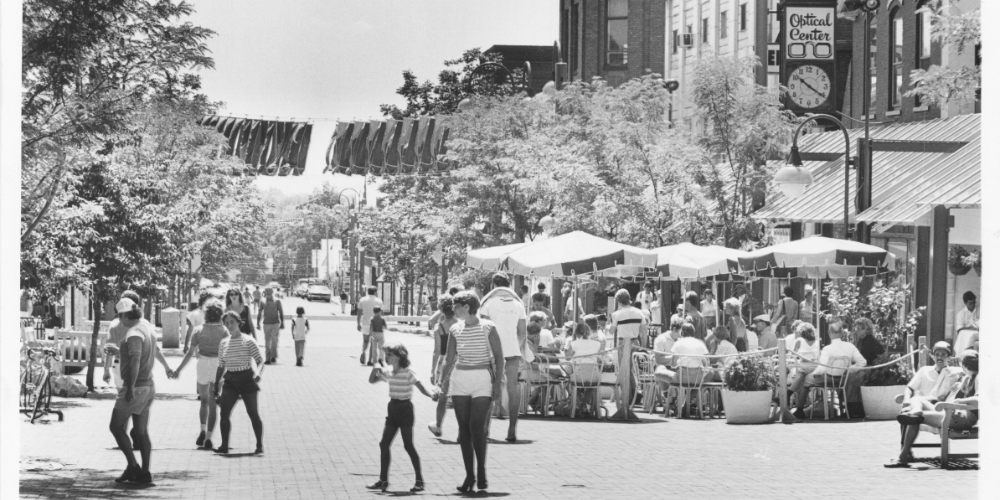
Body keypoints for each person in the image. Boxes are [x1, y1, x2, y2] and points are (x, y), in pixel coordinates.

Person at [438, 291, 505, 492]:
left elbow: (500, 358)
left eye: (456, 306)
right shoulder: (455, 329)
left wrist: (497, 384)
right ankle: (469, 475)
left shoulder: (488, 327)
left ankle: (481, 470)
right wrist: (441, 382)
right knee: (463, 429)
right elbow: (449, 359)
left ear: (467, 306)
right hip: (460, 379)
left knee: (477, 427)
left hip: (483, 379)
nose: (453, 310)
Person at [108, 298, 170, 484]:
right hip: (148, 385)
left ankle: (133, 466)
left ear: (126, 315)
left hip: (137, 386)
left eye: (120, 316)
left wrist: (130, 386)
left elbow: (135, 360)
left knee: (116, 426)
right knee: (141, 431)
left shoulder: (134, 332)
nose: (120, 321)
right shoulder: (146, 327)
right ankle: (144, 471)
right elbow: (141, 355)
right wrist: (119, 352)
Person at [367, 342, 439, 493]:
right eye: (386, 355)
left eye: (390, 355)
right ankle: (383, 480)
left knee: (408, 445)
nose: (387, 357)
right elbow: (372, 380)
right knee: (384, 444)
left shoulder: (408, 372)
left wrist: (432, 395)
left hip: (405, 409)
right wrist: (375, 368)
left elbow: (421, 387)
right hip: (392, 409)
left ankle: (419, 480)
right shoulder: (389, 372)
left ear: (400, 356)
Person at [887, 350, 978, 468]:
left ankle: (903, 457)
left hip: (964, 418)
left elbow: (980, 400)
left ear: (965, 365)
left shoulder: (979, 378)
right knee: (917, 399)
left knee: (915, 419)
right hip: (954, 413)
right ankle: (915, 412)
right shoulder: (969, 377)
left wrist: (960, 401)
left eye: (961, 364)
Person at [172, 301, 229, 450]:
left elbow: (190, 353)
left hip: (202, 364)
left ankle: (202, 430)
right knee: (213, 402)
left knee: (203, 401)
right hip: (218, 366)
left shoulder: (198, 330)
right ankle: (209, 436)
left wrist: (178, 370)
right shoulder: (224, 331)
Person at [478, 273, 527, 442]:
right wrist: (514, 345)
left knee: (490, 388)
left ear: (493, 285)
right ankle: (512, 430)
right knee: (513, 390)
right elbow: (522, 333)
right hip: (513, 352)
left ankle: (486, 430)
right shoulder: (518, 304)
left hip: (493, 352)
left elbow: (483, 330)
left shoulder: (488, 303)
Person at [790, 321, 867, 419]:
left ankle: (799, 410)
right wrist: (848, 371)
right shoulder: (850, 346)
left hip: (828, 378)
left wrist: (815, 373)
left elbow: (821, 368)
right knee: (809, 376)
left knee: (804, 380)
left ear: (829, 333)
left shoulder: (827, 349)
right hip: (842, 380)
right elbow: (862, 362)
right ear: (842, 333)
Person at [213, 310, 265, 454]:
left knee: (253, 413)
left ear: (239, 323)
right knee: (224, 414)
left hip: (246, 379)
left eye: (232, 322)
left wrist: (258, 374)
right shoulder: (223, 343)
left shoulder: (248, 340)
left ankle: (259, 444)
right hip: (230, 379)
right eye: (227, 323)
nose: (229, 325)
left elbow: (260, 361)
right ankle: (224, 445)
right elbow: (221, 365)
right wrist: (216, 384)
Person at [608, 289, 647, 417]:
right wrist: (644, 347)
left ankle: (630, 396)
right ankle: (635, 394)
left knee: (625, 370)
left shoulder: (616, 314)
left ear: (618, 301)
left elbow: (611, 331)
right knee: (631, 370)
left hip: (623, 343)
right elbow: (644, 332)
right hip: (635, 342)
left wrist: (610, 323)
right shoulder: (639, 312)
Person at [428, 296, 459, 437]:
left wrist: (433, 371)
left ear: (441, 310)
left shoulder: (438, 328)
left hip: (444, 361)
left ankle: (438, 426)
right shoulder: (461, 325)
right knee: (460, 397)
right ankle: (462, 431)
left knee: (443, 396)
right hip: (459, 362)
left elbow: (437, 351)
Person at [256, 287, 285, 365]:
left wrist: (282, 323)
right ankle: (267, 358)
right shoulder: (262, 302)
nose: (268, 293)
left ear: (272, 292)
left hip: (275, 323)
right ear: (265, 292)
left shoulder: (277, 301)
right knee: (267, 341)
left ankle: (273, 356)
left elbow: (281, 312)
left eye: (270, 292)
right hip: (266, 324)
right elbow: (259, 313)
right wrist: (257, 323)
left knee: (274, 341)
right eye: (267, 292)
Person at [358, 286, 384, 366]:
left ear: (367, 292)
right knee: (373, 343)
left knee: (365, 341)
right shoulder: (379, 301)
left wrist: (358, 323)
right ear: (375, 292)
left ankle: (363, 352)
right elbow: (381, 314)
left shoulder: (362, 300)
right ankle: (370, 360)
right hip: (375, 325)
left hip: (365, 323)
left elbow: (359, 313)